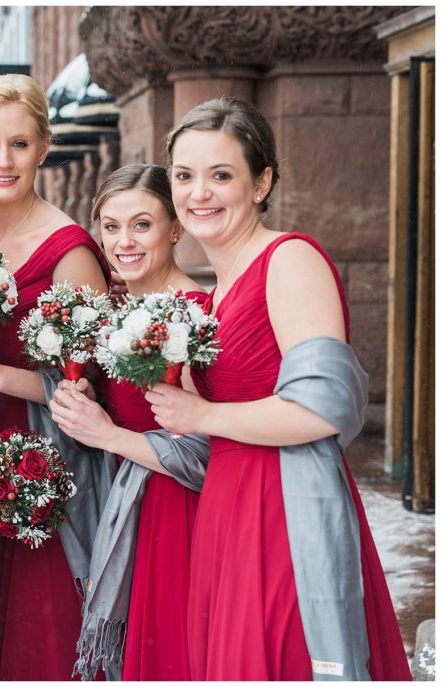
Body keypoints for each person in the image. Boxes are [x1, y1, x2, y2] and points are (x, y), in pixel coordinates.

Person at [140, 97, 409, 680]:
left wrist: (200, 415)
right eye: (184, 176)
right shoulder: (218, 289)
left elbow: (324, 410)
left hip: (283, 505)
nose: (199, 193)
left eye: (221, 175)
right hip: (227, 506)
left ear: (261, 182)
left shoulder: (289, 260)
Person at [0, 73, 111, 680]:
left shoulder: (71, 253)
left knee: (39, 635)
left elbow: (90, 393)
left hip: (43, 462)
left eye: (18, 144)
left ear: (43, 147)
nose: (3, 161)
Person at [48, 164, 206, 680]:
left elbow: (203, 453)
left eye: (142, 224)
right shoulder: (120, 311)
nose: (124, 241)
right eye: (111, 226)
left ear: (175, 228)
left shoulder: (192, 313)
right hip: (124, 500)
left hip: (174, 512)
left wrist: (107, 434)